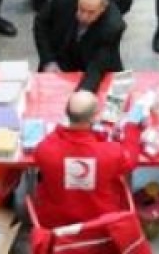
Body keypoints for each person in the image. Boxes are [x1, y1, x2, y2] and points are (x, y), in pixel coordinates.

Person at [30, 90, 142, 228]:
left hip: (57, 224)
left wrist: (61, 130)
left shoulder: (45, 150)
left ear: (67, 114)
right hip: (102, 222)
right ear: (94, 118)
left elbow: (42, 148)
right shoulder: (110, 153)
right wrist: (131, 127)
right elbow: (130, 160)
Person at [34, 0, 125, 91]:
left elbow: (96, 68)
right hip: (60, 58)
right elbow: (41, 24)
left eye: (91, 12)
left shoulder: (113, 27)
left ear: (103, 8)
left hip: (93, 67)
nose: (84, 17)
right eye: (81, 9)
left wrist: (81, 94)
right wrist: (48, 61)